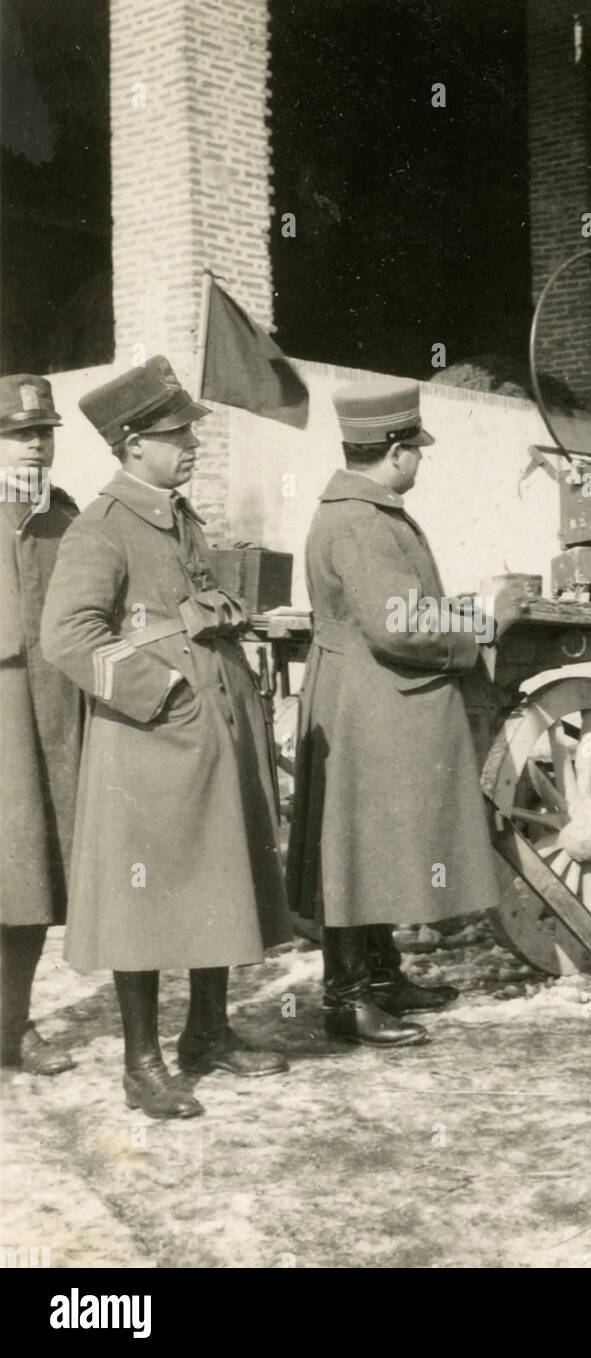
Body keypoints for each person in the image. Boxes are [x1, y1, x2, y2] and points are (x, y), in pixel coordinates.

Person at [41, 357, 291, 1117]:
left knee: (219, 878)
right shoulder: (102, 526)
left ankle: (207, 1034)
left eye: (188, 433)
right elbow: (69, 637)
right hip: (149, 745)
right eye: (174, 435)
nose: (192, 445)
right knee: (141, 905)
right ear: (131, 443)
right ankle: (141, 1063)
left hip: (207, 735)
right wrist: (165, 691)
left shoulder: (177, 514)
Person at [286, 378, 524, 1047]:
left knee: (372, 848)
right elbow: (398, 626)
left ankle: (383, 977)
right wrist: (479, 630)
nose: (419, 458)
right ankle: (348, 998)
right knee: (355, 852)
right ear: (395, 452)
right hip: (374, 702)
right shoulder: (362, 521)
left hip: (371, 697)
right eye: (415, 447)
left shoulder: (361, 509)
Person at [1, 375, 81, 1075]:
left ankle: (11, 1028)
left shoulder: (65, 514)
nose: (33, 445)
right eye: (19, 433)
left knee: (27, 882)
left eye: (43, 432)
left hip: (48, 719)